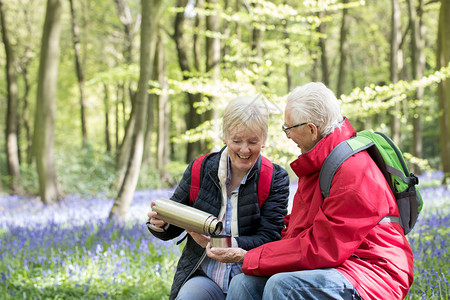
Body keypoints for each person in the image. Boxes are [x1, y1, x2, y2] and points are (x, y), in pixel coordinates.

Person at [207, 82, 414, 300]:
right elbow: (296, 233)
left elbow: (322, 247)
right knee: (243, 283)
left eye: (289, 128)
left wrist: (247, 257)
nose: (286, 135)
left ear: (311, 129)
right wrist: (252, 254)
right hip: (339, 265)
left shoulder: (354, 170)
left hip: (372, 272)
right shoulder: (319, 165)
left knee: (284, 286)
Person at [147, 95, 290, 300]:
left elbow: (270, 238)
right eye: (236, 141)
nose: (244, 149)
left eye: (253, 141)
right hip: (205, 276)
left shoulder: (275, 178)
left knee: (241, 287)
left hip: (249, 278)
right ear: (224, 136)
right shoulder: (200, 169)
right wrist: (160, 224)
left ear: (264, 140)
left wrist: (222, 243)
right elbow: (173, 224)